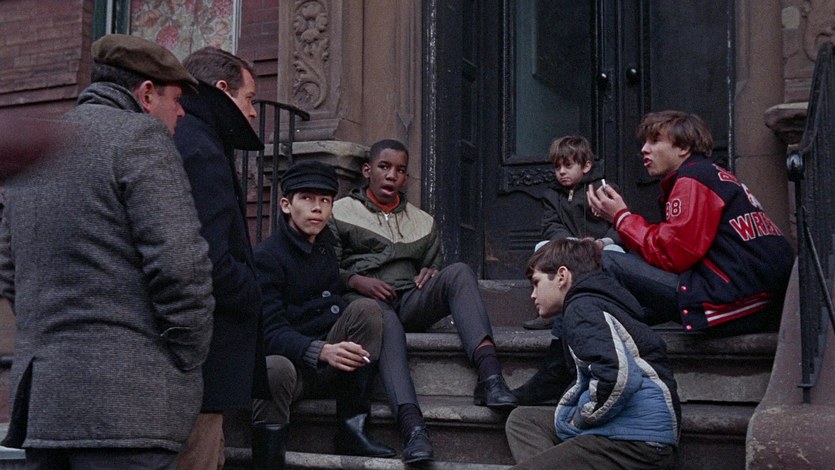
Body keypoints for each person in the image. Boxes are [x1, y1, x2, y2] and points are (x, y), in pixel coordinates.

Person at [0, 34, 214, 469]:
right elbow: (181, 267)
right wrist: (186, 357)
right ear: (147, 93)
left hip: (46, 407)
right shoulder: (140, 137)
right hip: (129, 410)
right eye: (176, 99)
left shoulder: (42, 145)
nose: (181, 112)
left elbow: (9, 270)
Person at [252, 161, 432, 467]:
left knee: (367, 309)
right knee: (274, 369)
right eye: (306, 198)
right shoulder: (267, 257)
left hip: (329, 365)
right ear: (286, 205)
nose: (317, 208)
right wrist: (320, 350)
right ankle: (268, 461)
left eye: (324, 200)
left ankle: (352, 429)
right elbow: (268, 333)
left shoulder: (325, 247)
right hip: (293, 370)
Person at [329, 139, 517, 410]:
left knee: (460, 272)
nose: (392, 175)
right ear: (367, 170)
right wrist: (356, 281)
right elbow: (324, 270)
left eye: (400, 170)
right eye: (384, 167)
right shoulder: (339, 212)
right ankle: (410, 421)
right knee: (381, 316)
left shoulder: (423, 222)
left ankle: (491, 378)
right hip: (365, 307)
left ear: (406, 178)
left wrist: (432, 272)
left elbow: (432, 266)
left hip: (408, 301)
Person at [587, 110, 794, 335]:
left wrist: (621, 217)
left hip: (732, 302)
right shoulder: (714, 175)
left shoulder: (692, 179)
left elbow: (673, 254)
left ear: (684, 148)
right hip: (757, 299)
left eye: (655, 141)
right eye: (644, 142)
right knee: (628, 301)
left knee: (606, 260)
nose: (644, 149)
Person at [173, 47, 269, 470]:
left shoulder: (193, 137)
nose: (253, 112)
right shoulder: (200, 148)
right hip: (204, 358)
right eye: (250, 99)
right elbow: (209, 256)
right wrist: (251, 292)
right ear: (223, 89)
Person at [505, 239, 680, 469]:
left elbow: (616, 377)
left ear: (562, 276)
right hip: (629, 431)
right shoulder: (594, 301)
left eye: (536, 283)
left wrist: (580, 418)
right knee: (523, 421)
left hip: (636, 442)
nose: (533, 295)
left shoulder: (582, 308)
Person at [516, 136, 622, 406]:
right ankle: (552, 310)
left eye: (568, 166)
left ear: (586, 166)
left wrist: (602, 242)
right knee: (542, 248)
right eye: (557, 167)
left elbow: (620, 224)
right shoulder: (552, 195)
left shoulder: (603, 189)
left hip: (600, 247)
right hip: (568, 247)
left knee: (619, 255)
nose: (561, 172)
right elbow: (551, 226)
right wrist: (569, 243)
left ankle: (609, 306)